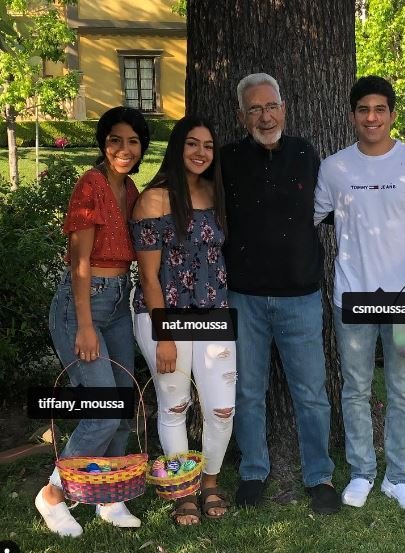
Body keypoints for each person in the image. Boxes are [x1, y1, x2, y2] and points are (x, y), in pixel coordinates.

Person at [314, 76, 405, 514]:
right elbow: (310, 217)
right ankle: (361, 473)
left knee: (402, 388)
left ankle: (398, 478)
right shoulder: (335, 167)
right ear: (352, 115)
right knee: (354, 388)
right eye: (362, 110)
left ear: (392, 114)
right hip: (351, 296)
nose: (371, 117)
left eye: (379, 109)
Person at [221, 73, 339, 514]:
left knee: (310, 392)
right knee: (248, 391)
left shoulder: (307, 154)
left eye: (271, 106)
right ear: (242, 115)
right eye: (254, 109)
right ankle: (253, 471)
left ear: (284, 109)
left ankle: (319, 475)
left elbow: (339, 209)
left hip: (301, 298)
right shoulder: (227, 159)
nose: (264, 116)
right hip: (244, 297)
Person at [35, 106, 150, 537]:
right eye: (115, 140)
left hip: (119, 303)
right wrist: (85, 325)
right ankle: (53, 494)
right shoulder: (92, 184)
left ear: (142, 148)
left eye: (133, 141)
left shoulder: (131, 188)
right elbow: (80, 262)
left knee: (123, 403)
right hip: (82, 305)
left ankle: (109, 495)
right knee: (103, 410)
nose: (124, 148)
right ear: (103, 144)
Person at [131, 116, 235, 525]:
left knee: (222, 408)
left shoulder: (214, 192)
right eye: (192, 144)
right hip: (166, 314)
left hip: (213, 313)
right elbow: (149, 276)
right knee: (175, 404)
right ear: (178, 148)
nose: (200, 153)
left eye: (208, 146)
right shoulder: (153, 200)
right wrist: (165, 335)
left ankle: (209, 482)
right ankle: (183, 491)